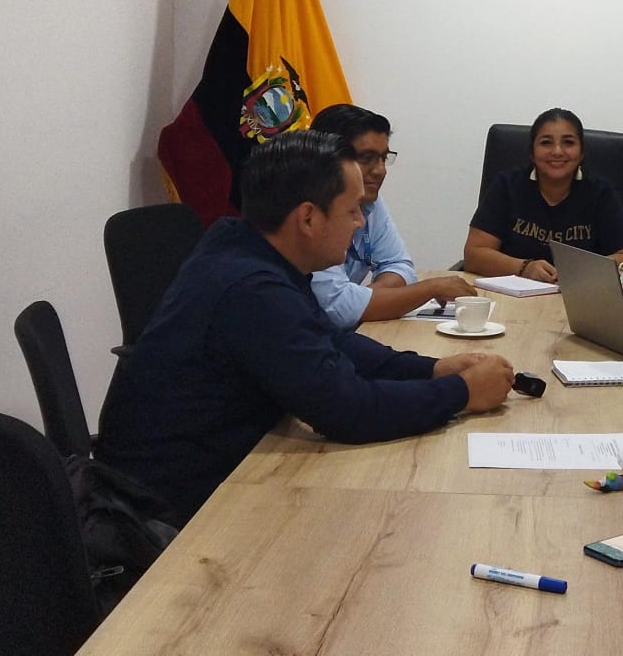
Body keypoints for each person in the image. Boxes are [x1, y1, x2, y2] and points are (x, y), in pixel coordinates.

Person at [97, 131, 515, 520]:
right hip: (168, 512)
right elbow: (347, 411)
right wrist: (461, 393)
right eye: (351, 210)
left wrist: (432, 369)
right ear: (309, 218)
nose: (360, 222)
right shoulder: (253, 290)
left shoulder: (240, 244)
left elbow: (330, 341)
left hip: (210, 472)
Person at [307, 105, 476, 327]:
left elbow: (400, 266)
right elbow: (339, 309)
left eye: (383, 158)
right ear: (330, 158)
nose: (380, 170)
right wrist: (431, 288)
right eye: (367, 158)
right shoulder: (310, 210)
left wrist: (363, 299)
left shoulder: (369, 201)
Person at [463, 108, 623, 282]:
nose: (557, 151)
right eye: (546, 143)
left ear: (581, 153)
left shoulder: (601, 192)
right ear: (532, 153)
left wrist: (578, 272)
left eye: (568, 143)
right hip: (511, 293)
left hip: (579, 293)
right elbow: (474, 254)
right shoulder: (506, 186)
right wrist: (524, 268)